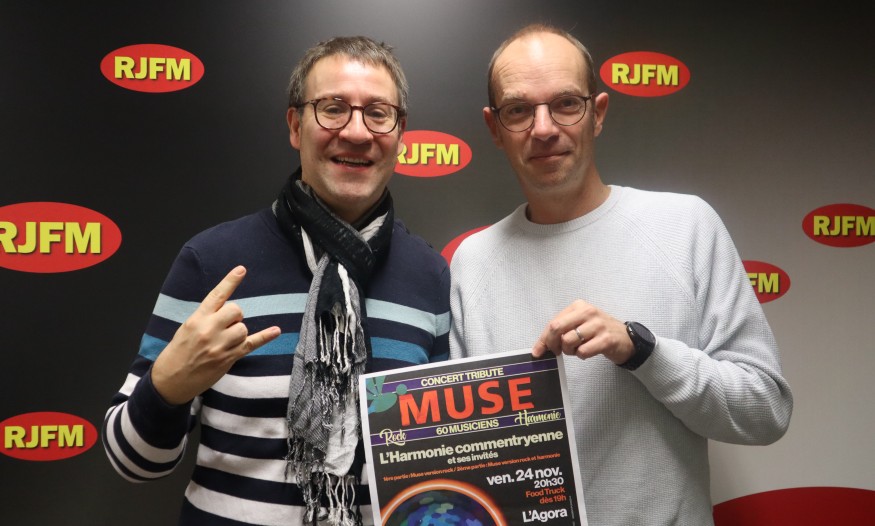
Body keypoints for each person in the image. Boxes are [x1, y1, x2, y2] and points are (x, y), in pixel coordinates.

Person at [449, 23, 793, 525]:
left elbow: (766, 411)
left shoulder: (685, 226)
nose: (544, 128)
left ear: (598, 114)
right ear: (494, 128)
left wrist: (642, 350)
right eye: (519, 110)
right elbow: (462, 454)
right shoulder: (473, 261)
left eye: (566, 103)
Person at [102, 36, 450, 526]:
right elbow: (131, 462)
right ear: (295, 125)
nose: (356, 132)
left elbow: (441, 461)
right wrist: (166, 388)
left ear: (400, 133)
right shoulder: (212, 263)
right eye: (332, 109)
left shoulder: (428, 275)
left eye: (378, 113)